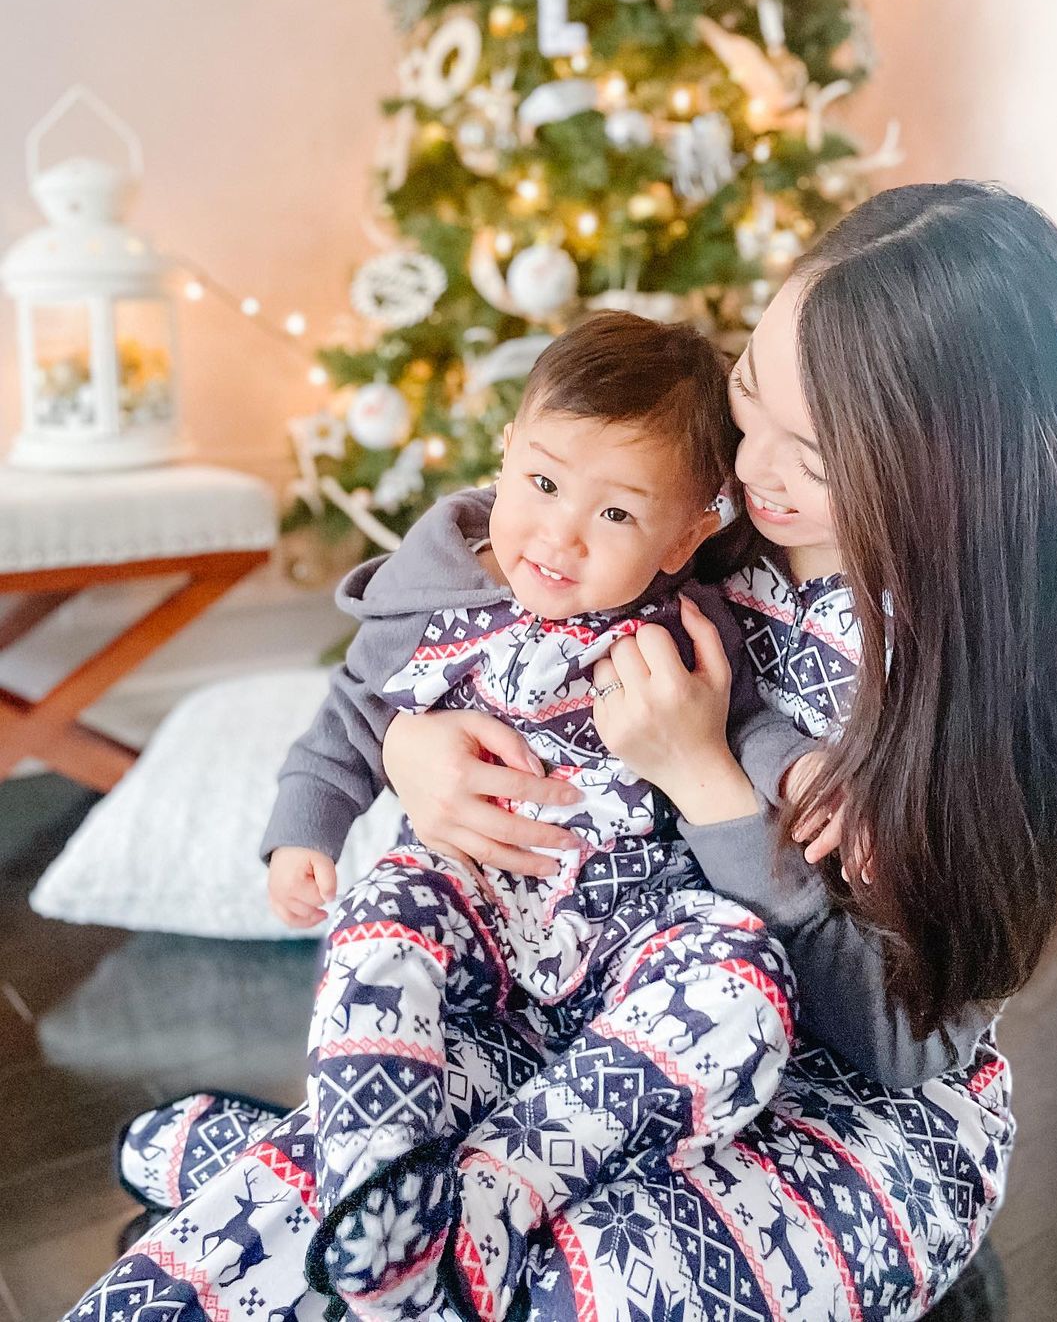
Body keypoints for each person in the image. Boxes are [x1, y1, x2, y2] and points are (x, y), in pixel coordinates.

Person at [64, 182, 1057, 1322]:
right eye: (752, 402)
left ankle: (284, 1175)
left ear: (943, 469)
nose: (752, 472)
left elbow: (902, 1043)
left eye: (818, 455)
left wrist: (708, 786)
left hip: (837, 1101)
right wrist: (408, 750)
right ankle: (342, 1192)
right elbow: (478, 606)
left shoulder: (979, 679)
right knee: (384, 1140)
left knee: (578, 1275)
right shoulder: (695, 522)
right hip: (595, 1022)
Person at [256, 310, 813, 1319]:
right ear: (506, 454)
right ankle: (369, 1174)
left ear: (688, 531)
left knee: (738, 963)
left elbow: (750, 723)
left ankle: (497, 1192)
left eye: (616, 516)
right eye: (545, 484)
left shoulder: (684, 627)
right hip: (474, 905)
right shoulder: (436, 600)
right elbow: (348, 716)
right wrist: (306, 828)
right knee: (384, 917)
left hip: (624, 930)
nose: (557, 535)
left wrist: (803, 774)